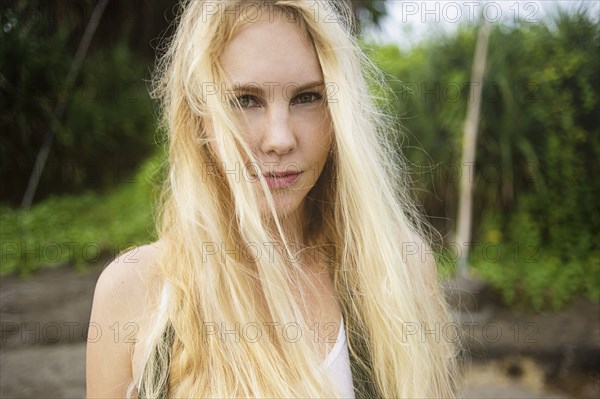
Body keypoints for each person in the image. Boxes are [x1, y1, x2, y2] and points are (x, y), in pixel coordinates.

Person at [86, 0, 458, 397]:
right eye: (246, 100)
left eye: (307, 97)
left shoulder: (401, 273)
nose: (280, 139)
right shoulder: (135, 291)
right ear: (198, 116)